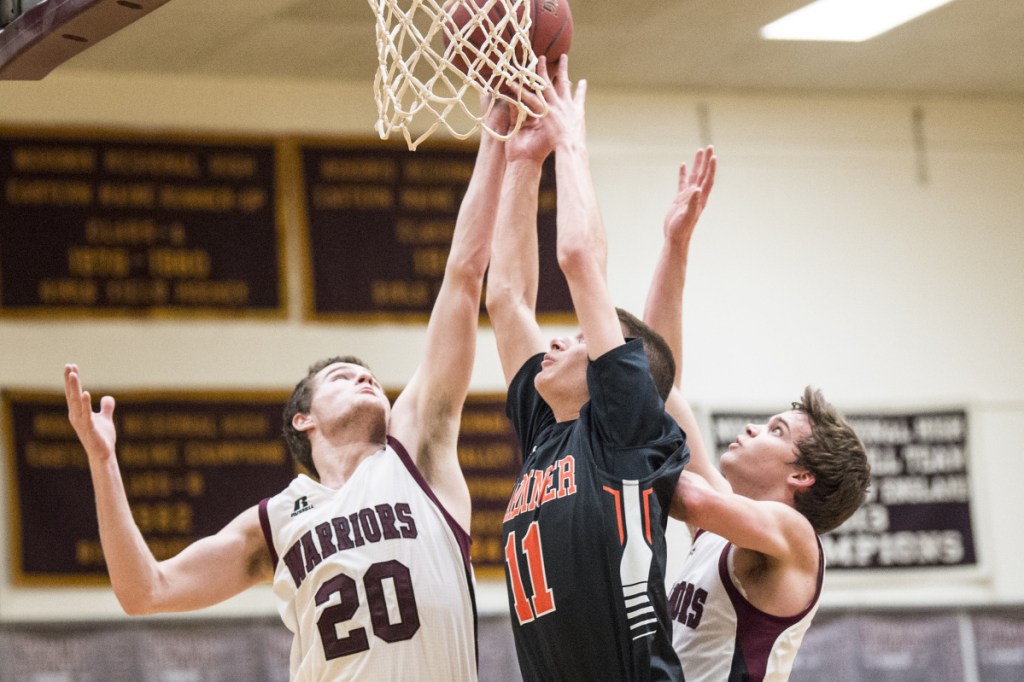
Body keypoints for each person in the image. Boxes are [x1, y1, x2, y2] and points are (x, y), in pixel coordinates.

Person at [63, 101, 515, 681]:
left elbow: (463, 274)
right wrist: (103, 463)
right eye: (340, 375)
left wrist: (495, 135)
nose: (364, 376)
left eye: (369, 374)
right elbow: (145, 591)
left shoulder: (416, 456)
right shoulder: (276, 522)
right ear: (303, 420)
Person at [485, 55, 689, 681]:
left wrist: (570, 142)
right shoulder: (550, 432)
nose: (556, 342)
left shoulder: (623, 432)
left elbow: (578, 255)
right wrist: (522, 163)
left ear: (615, 378)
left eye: (579, 339)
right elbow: (506, 299)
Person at [641, 148, 871, 681]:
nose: (750, 428)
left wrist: (601, 460)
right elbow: (662, 388)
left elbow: (687, 493)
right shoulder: (724, 527)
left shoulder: (793, 538)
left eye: (775, 430)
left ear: (801, 475)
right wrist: (675, 245)